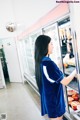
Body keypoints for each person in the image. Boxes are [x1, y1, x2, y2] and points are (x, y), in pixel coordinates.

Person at [34, 35, 76, 120]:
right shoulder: (48, 63)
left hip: (49, 99)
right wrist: (76, 70)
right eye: (51, 44)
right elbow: (65, 81)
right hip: (54, 101)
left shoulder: (41, 61)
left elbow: (50, 74)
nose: (53, 46)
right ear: (45, 46)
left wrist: (63, 61)